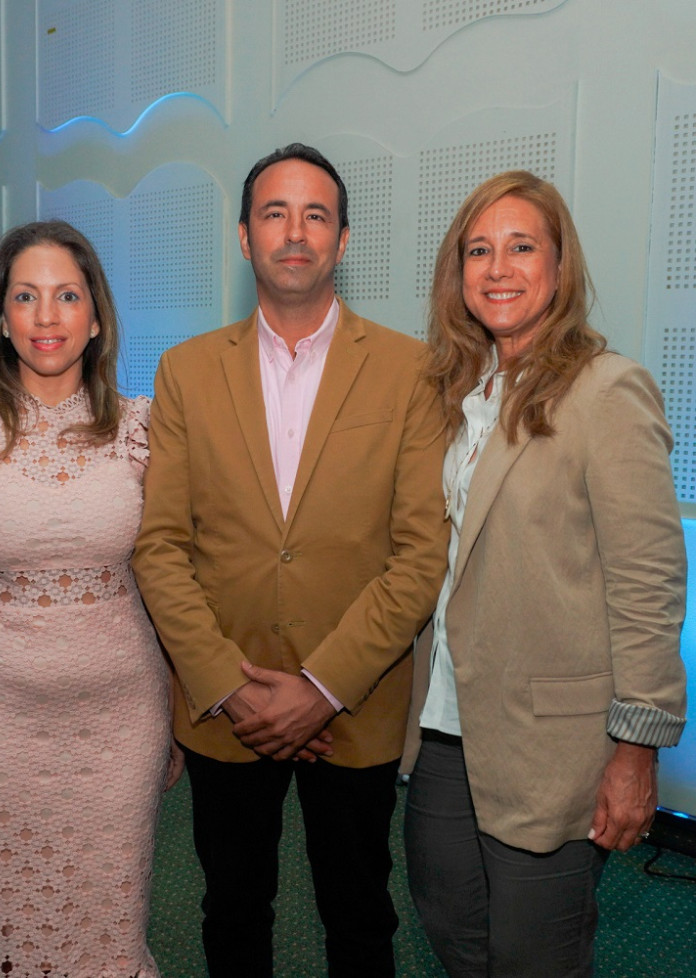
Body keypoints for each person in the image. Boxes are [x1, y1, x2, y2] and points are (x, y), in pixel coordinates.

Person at [132, 143, 448, 978]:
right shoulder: (186, 372)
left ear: (343, 241)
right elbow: (159, 547)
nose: (295, 231)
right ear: (244, 237)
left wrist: (319, 688)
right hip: (223, 705)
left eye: (316, 215)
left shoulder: (411, 371)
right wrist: (231, 687)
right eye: (275, 213)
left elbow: (421, 555)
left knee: (359, 916)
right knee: (232, 911)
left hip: (356, 702)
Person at [403, 170, 688, 978]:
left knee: (535, 956)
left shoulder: (607, 390)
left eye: (521, 247)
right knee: (447, 912)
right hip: (448, 723)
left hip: (556, 741)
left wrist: (636, 750)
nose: (498, 268)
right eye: (479, 250)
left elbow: (650, 581)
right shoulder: (459, 394)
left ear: (559, 269)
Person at [0, 220, 183, 977]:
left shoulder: (143, 431)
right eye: (26, 297)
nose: (46, 316)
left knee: (109, 923)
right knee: (9, 927)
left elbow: (167, 584)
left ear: (95, 318)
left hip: (120, 720)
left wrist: (182, 711)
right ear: (3, 316)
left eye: (67, 296)